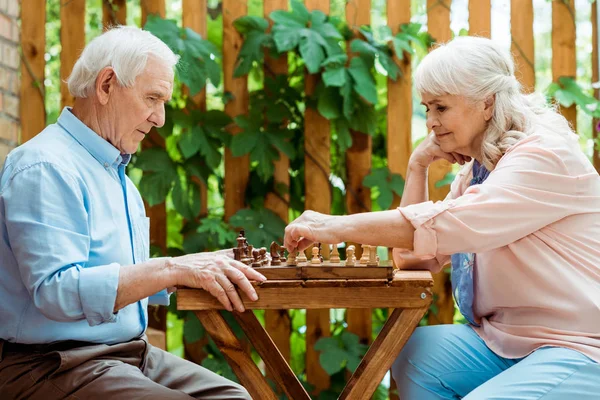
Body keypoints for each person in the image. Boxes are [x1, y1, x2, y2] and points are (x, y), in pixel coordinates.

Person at [284, 36, 600, 399]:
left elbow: (449, 224)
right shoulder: (481, 169)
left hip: (579, 346)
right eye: (427, 108)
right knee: (415, 352)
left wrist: (328, 226)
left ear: (487, 102)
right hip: (507, 342)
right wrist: (417, 168)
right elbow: (412, 257)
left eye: (440, 108)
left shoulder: (543, 156)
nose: (430, 122)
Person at [0, 26, 265, 399]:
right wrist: (171, 268)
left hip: (125, 354)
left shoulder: (115, 173)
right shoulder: (46, 166)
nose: (160, 118)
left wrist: (193, 268)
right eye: (152, 98)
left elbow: (115, 274)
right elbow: (56, 291)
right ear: (106, 85)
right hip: (50, 363)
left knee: (235, 398)